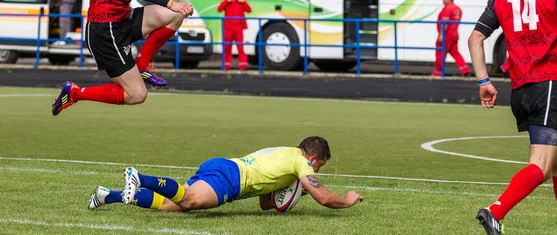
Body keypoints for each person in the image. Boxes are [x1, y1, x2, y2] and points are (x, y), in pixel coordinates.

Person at [468, 0, 557, 235]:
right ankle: (495, 212)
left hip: (521, 91)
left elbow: (475, 38)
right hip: (548, 87)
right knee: (540, 166)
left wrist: (484, 80)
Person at [88, 136, 364, 212]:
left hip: (224, 168)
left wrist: (293, 193)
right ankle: (140, 177)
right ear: (313, 157)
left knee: (173, 207)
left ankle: (107, 196)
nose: (315, 172)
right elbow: (325, 198)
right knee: (190, 201)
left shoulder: (285, 156)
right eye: (319, 166)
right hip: (230, 178)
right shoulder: (299, 161)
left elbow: (266, 204)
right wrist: (348, 199)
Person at [51, 0, 193, 116]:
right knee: (137, 95)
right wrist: (171, 3)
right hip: (105, 33)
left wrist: (174, 5)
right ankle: (74, 93)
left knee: (176, 14)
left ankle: (142, 64)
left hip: (123, 20)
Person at [432, 0, 470, 77]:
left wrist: (441, 34)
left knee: (440, 53)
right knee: (455, 53)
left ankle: (438, 72)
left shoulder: (447, 8)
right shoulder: (457, 9)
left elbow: (444, 23)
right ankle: (465, 70)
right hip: (454, 35)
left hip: (446, 35)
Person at [217, 0, 251, 71]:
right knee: (227, 47)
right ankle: (225, 65)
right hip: (228, 28)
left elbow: (249, 10)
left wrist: (243, 2)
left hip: (238, 28)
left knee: (240, 47)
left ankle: (243, 65)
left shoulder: (241, 2)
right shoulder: (226, 2)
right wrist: (227, 1)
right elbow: (219, 9)